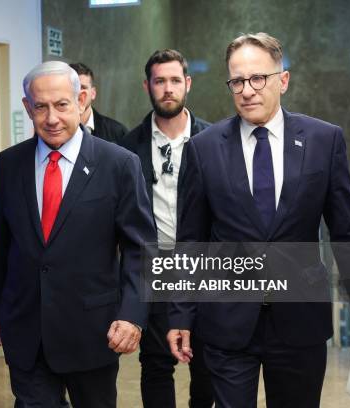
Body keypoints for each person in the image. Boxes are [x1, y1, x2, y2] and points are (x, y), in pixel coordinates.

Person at [167, 33, 350, 407]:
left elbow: (347, 232)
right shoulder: (203, 149)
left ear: (282, 80)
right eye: (237, 81)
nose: (247, 90)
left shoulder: (323, 140)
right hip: (227, 321)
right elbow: (191, 240)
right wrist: (180, 314)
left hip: (300, 320)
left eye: (258, 79)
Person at [0, 61, 155, 407]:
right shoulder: (8, 163)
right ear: (27, 107)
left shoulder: (119, 164)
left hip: (92, 331)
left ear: (82, 101)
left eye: (61, 105)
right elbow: (1, 241)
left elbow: (141, 249)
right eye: (40, 107)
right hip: (25, 328)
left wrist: (132, 314)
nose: (51, 118)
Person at [120, 49, 213, 408]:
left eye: (175, 80)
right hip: (154, 268)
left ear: (187, 84)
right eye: (160, 81)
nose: (168, 89)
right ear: (147, 86)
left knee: (207, 366)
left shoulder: (215, 141)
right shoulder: (128, 148)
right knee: (155, 365)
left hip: (204, 270)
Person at [69, 62, 129, 144]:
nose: (79, 93)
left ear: (93, 93)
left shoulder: (117, 133)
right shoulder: (53, 131)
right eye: (73, 87)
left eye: (83, 88)